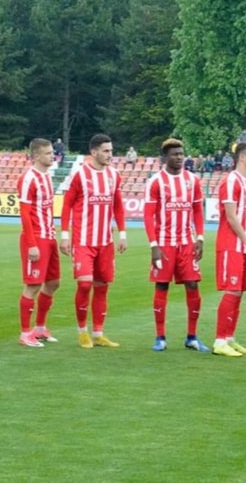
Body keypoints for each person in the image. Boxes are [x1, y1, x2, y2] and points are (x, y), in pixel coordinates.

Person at [144, 138, 211, 353]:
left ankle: (192, 336)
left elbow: (198, 211)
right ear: (165, 158)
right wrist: (153, 244)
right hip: (164, 243)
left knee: (192, 284)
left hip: (186, 242)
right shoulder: (155, 182)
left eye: (181, 153)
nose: (180, 157)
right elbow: (148, 215)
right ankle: (160, 336)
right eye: (175, 154)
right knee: (161, 285)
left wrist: (200, 238)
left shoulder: (193, 180)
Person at [61, 133, 128, 348]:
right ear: (94, 152)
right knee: (85, 284)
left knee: (102, 286)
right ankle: (82, 331)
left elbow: (117, 205)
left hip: (105, 242)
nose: (111, 155)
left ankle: (98, 333)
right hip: (83, 240)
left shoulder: (114, 175)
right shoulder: (80, 175)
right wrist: (64, 235)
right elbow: (67, 205)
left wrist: (123, 233)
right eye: (106, 151)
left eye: (111, 150)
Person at [213, 141, 246, 357]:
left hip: (243, 246)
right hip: (230, 245)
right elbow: (231, 217)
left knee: (239, 292)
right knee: (231, 290)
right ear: (241, 157)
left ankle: (230, 338)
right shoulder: (231, 181)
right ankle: (219, 341)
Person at [17, 138, 62, 347]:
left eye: (52, 152)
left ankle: (40, 328)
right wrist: (32, 243)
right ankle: (25, 333)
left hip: (49, 237)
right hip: (35, 238)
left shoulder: (46, 177)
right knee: (33, 285)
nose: (52, 156)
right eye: (47, 153)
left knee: (53, 283)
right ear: (35, 156)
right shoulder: (28, 178)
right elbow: (25, 213)